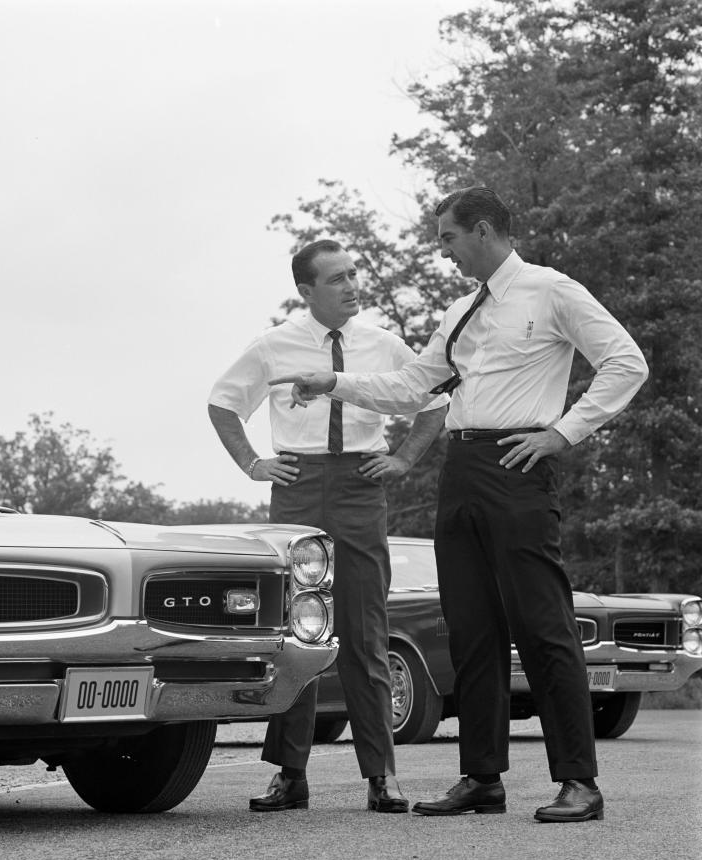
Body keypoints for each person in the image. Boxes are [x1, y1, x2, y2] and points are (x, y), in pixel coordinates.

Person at [270, 187, 649, 823]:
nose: (443, 250)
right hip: (462, 468)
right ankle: (482, 777)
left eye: (448, 237)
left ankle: (578, 782)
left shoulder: (552, 290)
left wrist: (563, 433)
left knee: (543, 627)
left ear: (482, 231)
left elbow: (624, 362)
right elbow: (411, 385)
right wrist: (335, 382)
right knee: (472, 629)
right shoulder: (461, 309)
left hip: (517, 465)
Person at [208, 239, 448, 813]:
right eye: (337, 278)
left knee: (366, 631)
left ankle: (381, 776)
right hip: (297, 486)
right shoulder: (274, 346)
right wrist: (253, 463)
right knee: (298, 632)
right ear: (306, 290)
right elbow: (221, 402)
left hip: (360, 486)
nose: (351, 285)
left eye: (354, 274)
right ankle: (291, 775)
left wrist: (404, 458)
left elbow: (434, 402)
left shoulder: (383, 344)